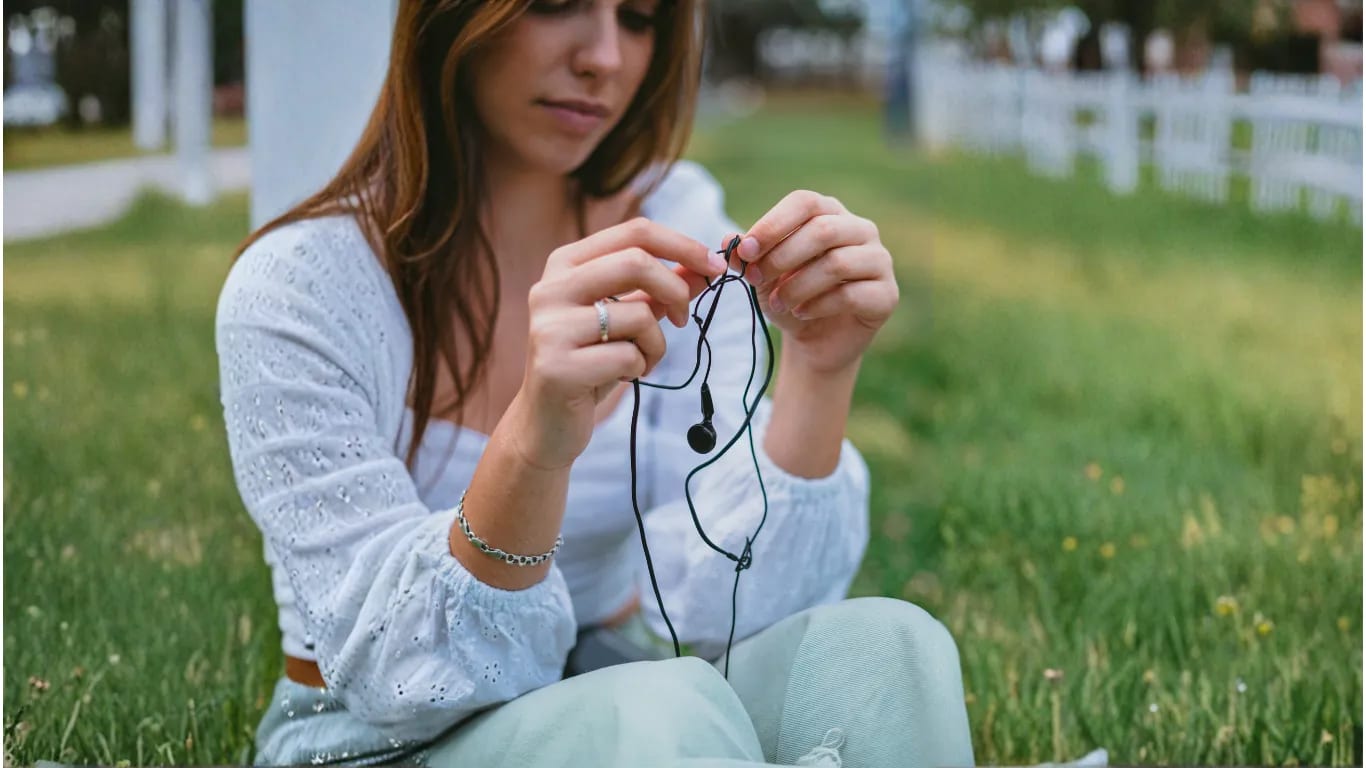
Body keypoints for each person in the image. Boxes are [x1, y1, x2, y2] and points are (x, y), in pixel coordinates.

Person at [215, 1, 974, 766]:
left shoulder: (676, 221)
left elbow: (735, 608)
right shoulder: (302, 288)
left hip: (635, 698)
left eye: (639, 17)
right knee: (664, 715)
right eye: (555, 4)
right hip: (385, 741)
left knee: (889, 653)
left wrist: (821, 368)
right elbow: (396, 676)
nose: (605, 57)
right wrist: (533, 444)